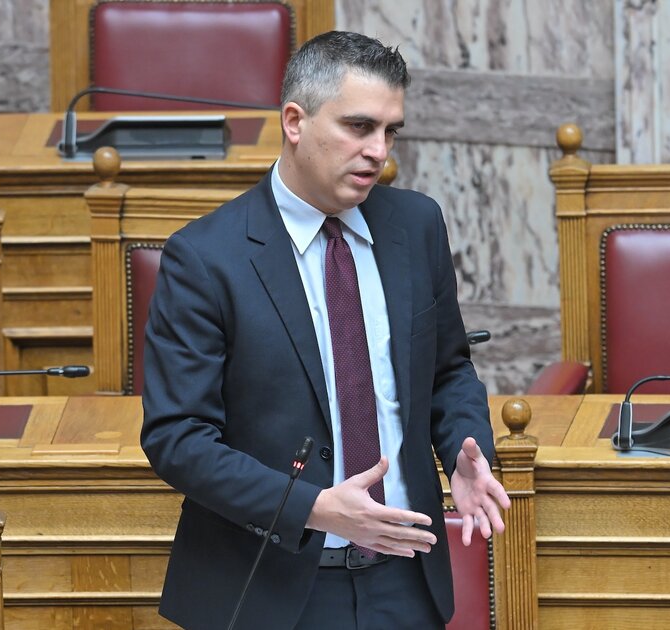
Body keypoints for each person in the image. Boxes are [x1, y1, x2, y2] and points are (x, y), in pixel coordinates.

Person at [140, 30, 510, 630]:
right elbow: (177, 437)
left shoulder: (416, 225)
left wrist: (466, 450)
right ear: (295, 121)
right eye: (359, 127)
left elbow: (447, 370)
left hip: (405, 580)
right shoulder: (206, 257)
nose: (378, 151)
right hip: (271, 587)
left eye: (391, 131)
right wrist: (312, 507)